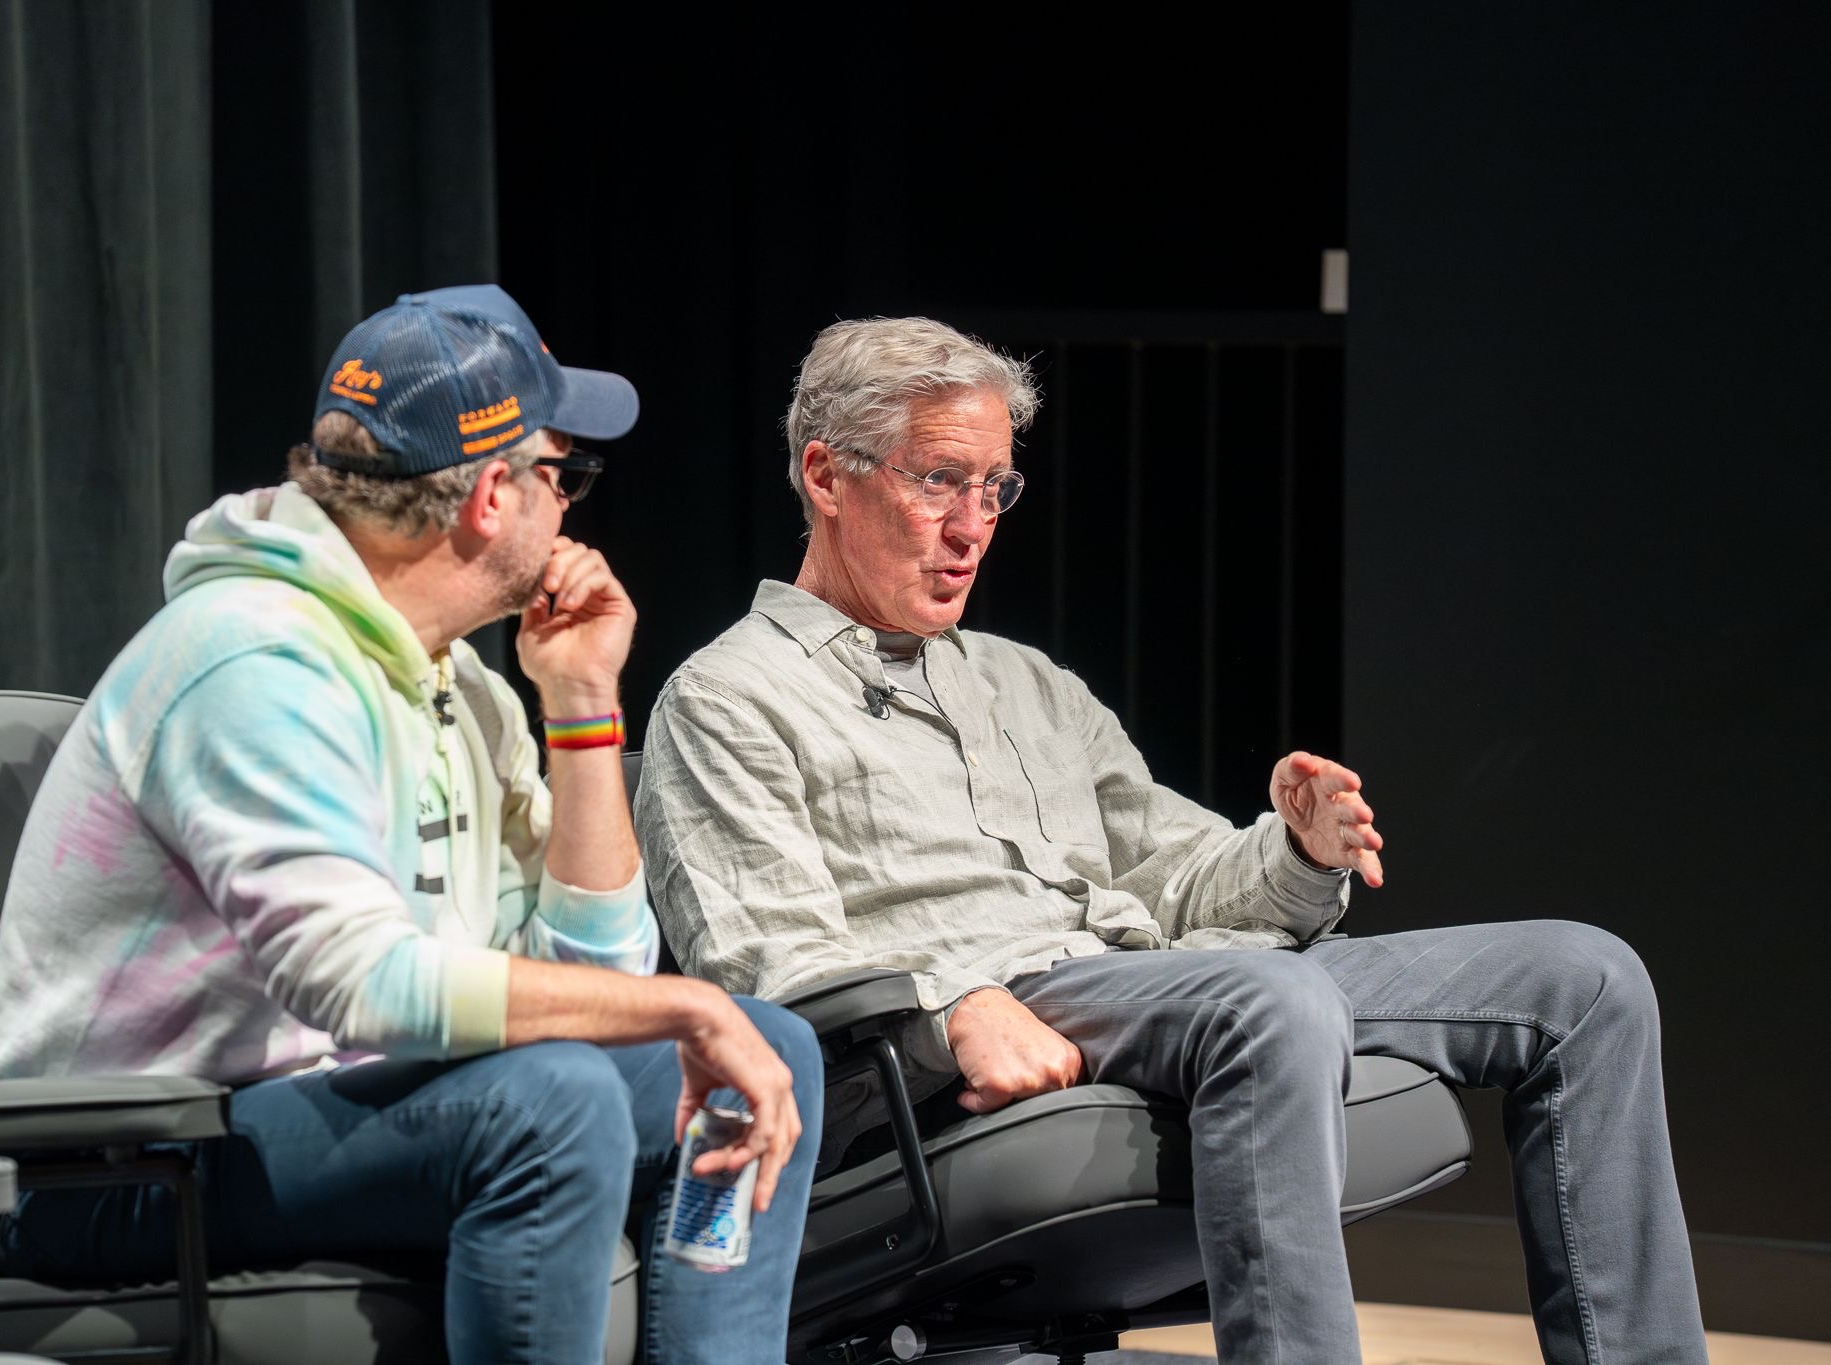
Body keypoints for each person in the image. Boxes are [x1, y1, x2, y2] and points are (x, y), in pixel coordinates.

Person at [635, 316, 1704, 1364]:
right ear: (826, 476)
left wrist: (1294, 853)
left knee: (1584, 979)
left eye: (993, 489)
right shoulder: (729, 699)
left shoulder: (1022, 681)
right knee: (1271, 1001)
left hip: (1156, 979)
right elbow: (768, 978)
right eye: (936, 482)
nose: (972, 527)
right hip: (986, 1014)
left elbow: (1174, 871)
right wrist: (948, 1011)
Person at [0, 286, 822, 1365]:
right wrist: (676, 1006)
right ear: (493, 496)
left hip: (323, 1110)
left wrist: (582, 710)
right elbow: (355, 982)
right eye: (565, 475)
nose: (573, 512)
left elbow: (594, 968)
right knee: (547, 1102)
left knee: (759, 1053)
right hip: (103, 1161)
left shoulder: (464, 685)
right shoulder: (251, 658)